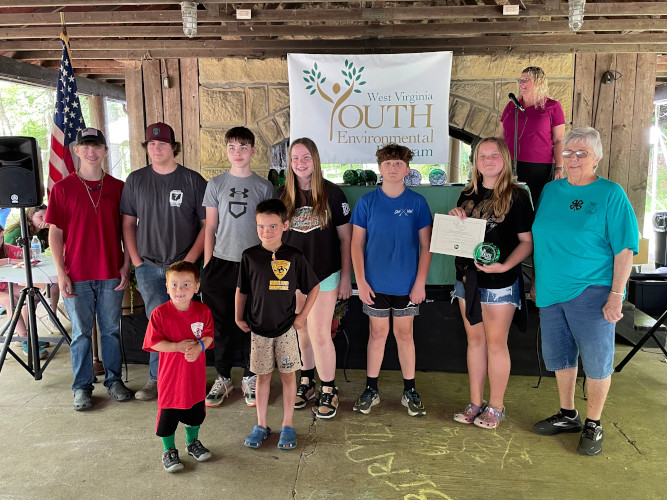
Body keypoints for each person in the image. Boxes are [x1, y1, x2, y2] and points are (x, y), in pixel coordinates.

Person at [531, 127, 638, 456]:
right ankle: (568, 414)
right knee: (562, 359)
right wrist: (537, 281)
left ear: (597, 157)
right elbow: (543, 239)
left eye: (582, 153)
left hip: (591, 291)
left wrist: (616, 294)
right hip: (551, 291)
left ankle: (594, 421)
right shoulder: (550, 191)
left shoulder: (611, 193)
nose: (574, 159)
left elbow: (624, 249)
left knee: (596, 362)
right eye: (568, 153)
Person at [449, 137, 534, 429]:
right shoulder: (467, 193)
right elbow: (461, 237)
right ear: (475, 161)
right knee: (475, 341)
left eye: (493, 155)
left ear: (505, 159)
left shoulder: (517, 196)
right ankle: (475, 402)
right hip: (466, 280)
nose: (487, 160)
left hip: (500, 283)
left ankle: (495, 406)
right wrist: (456, 218)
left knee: (496, 344)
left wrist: (506, 265)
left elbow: (527, 241)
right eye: (481, 155)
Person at [46, 127, 133, 410]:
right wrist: (61, 272)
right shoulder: (62, 188)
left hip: (110, 271)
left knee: (110, 330)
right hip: (76, 273)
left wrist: (126, 265)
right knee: (81, 332)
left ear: (105, 151)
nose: (91, 152)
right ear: (76, 151)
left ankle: (114, 380)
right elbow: (55, 234)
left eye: (97, 146)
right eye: (85, 146)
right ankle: (82, 386)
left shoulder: (119, 188)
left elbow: (127, 230)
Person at [121, 122, 207, 401]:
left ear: (173, 147)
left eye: (163, 144)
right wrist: (137, 261)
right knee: (157, 325)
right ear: (147, 147)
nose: (157, 148)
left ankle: (190, 378)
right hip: (148, 266)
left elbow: (208, 225)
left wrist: (190, 263)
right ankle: (157, 380)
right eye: (152, 144)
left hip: (183, 267)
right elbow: (128, 223)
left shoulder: (193, 180)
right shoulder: (135, 180)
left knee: (187, 322)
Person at [350, 143, 433, 417]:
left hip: (407, 285)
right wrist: (360, 281)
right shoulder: (366, 202)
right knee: (377, 334)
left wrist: (420, 282)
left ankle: (409, 389)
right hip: (374, 284)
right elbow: (356, 244)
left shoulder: (418, 203)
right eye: (388, 163)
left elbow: (426, 246)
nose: (393, 167)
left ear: (408, 169)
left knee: (404, 334)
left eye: (398, 163)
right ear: (380, 168)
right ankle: (371, 389)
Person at [236, 199, 319, 450]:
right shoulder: (249, 256)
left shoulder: (294, 256)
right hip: (258, 330)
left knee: (287, 377)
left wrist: (302, 315)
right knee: (262, 378)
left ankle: (287, 425)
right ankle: (261, 425)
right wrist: (238, 317)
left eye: (272, 226)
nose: (266, 232)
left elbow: (313, 287)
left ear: (285, 226)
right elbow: (242, 290)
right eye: (261, 226)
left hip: (286, 330)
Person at [278, 137, 352, 419]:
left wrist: (346, 277)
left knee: (320, 334)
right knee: (301, 331)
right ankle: (307, 381)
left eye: (305, 157)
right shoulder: (282, 194)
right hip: (292, 276)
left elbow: (346, 239)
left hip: (325, 275)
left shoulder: (333, 194)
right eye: (295, 158)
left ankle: (329, 389)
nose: (300, 163)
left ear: (315, 159)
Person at [201, 127, 274, 408]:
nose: (238, 152)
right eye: (232, 147)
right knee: (221, 324)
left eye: (244, 147)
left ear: (253, 151)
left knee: (251, 322)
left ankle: (249, 375)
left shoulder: (264, 186)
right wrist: (207, 265)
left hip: (253, 265)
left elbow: (268, 228)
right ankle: (222, 376)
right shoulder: (215, 184)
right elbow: (211, 227)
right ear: (226, 150)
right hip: (221, 263)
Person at [142, 260, 214, 473]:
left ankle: (193, 443)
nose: (179, 290)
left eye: (185, 284)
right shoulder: (160, 314)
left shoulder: (203, 311)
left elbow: (209, 336)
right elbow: (153, 342)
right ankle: (169, 450)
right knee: (168, 418)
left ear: (196, 287)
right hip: (170, 380)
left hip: (194, 377)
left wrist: (200, 346)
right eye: (174, 285)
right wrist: (176, 346)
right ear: (166, 287)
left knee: (195, 414)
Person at [499, 66, 566, 205]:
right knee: (508, 203)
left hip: (539, 167)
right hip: (509, 163)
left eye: (526, 80)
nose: (521, 83)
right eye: (520, 80)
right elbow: (500, 137)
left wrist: (559, 168)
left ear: (539, 82)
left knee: (534, 204)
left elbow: (558, 140)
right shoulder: (512, 106)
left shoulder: (552, 106)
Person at [4, 204, 61, 322]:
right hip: (19, 273)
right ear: (30, 216)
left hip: (36, 269)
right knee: (50, 287)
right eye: (41, 216)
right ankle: (49, 320)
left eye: (47, 216)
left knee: (55, 285)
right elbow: (5, 251)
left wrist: (52, 228)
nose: (45, 219)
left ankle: (50, 317)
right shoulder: (18, 232)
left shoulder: (43, 231)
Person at [0, 225, 50, 358]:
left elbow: (25, 254)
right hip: (3, 289)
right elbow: (7, 261)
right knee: (12, 301)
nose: (0, 241)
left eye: (1, 237)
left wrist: (27, 252)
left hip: (4, 286)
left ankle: (29, 334)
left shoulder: (5, 247)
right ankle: (24, 340)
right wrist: (9, 260)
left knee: (32, 293)